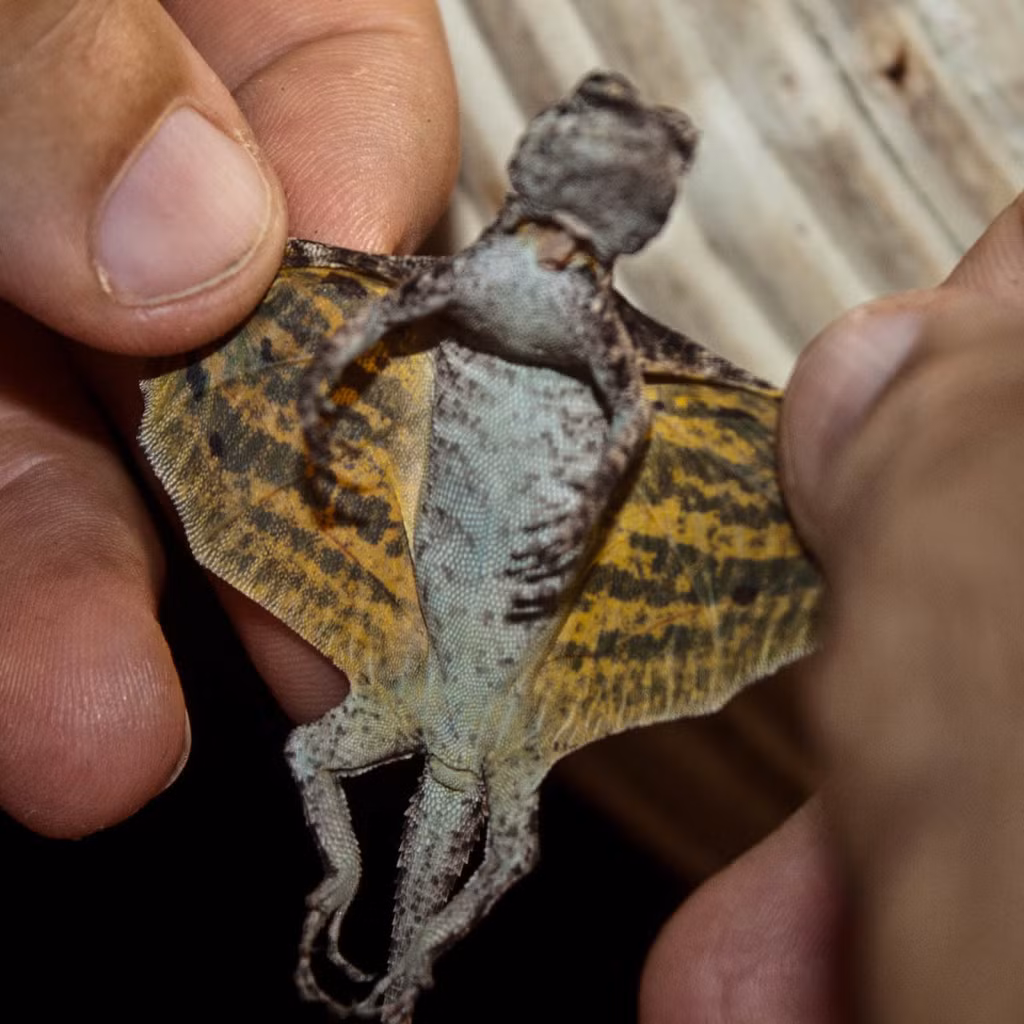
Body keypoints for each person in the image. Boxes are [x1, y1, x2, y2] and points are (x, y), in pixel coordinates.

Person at [2, 4, 1022, 1022]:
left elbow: (601, 405)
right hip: (431, 615)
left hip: (517, 645)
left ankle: (395, 952)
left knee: (479, 809)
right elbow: (421, 335)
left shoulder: (550, 306)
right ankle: (364, 917)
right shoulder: (499, 280)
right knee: (419, 789)